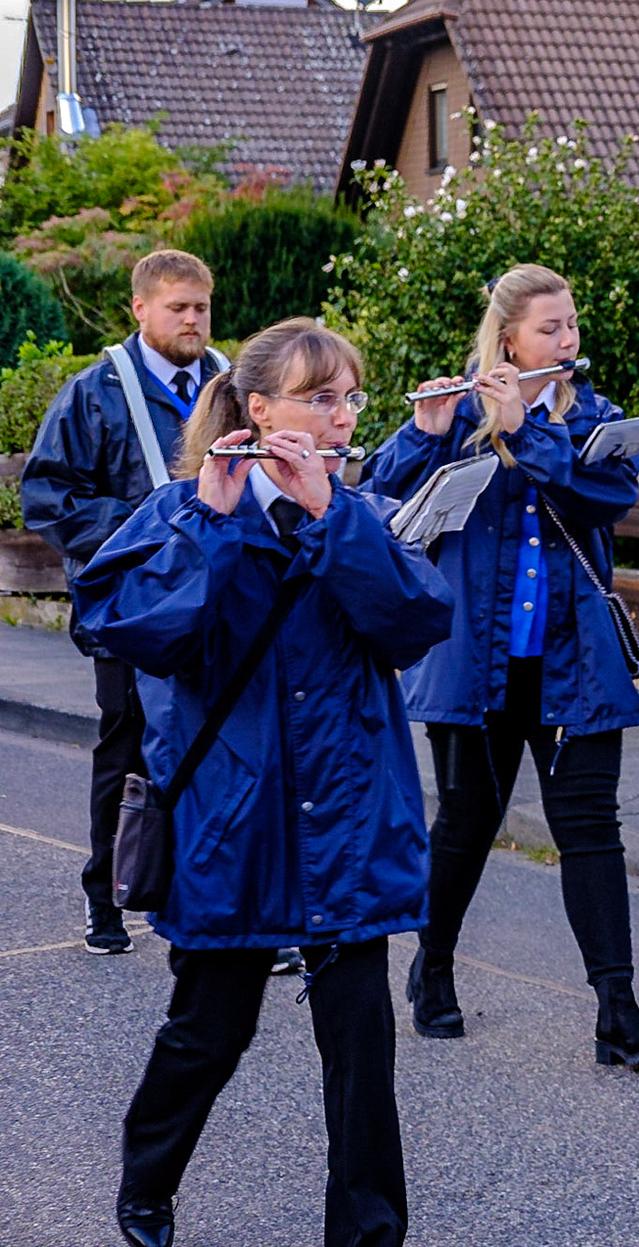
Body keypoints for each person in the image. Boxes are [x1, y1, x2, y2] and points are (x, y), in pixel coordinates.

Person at [72, 318, 454, 1247]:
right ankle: (148, 1182)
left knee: (361, 1049)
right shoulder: (182, 510)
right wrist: (209, 525)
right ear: (259, 408)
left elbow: (416, 624)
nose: (342, 415)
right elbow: (129, 630)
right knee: (209, 1032)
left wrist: (333, 519)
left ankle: (367, 1235)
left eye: (350, 397)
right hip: (231, 821)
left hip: (350, 817)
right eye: (320, 398)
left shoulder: (359, 513)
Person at [363, 264, 639, 1069]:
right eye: (550, 328)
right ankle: (432, 966)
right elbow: (380, 506)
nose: (567, 340)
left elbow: (606, 499)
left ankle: (618, 1013)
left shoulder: (596, 418)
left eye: (572, 324)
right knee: (466, 824)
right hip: (475, 663)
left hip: (574, 662)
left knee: (591, 831)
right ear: (508, 340)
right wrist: (425, 432)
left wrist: (527, 430)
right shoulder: (461, 415)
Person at [20, 251, 251, 961]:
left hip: (219, 603)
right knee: (126, 755)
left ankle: (224, 904)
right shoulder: (95, 393)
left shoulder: (235, 385)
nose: (193, 320)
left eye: (201, 307)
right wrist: (146, 525)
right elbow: (47, 496)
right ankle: (108, 895)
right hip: (133, 609)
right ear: (140, 309)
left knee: (224, 752)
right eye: (178, 307)